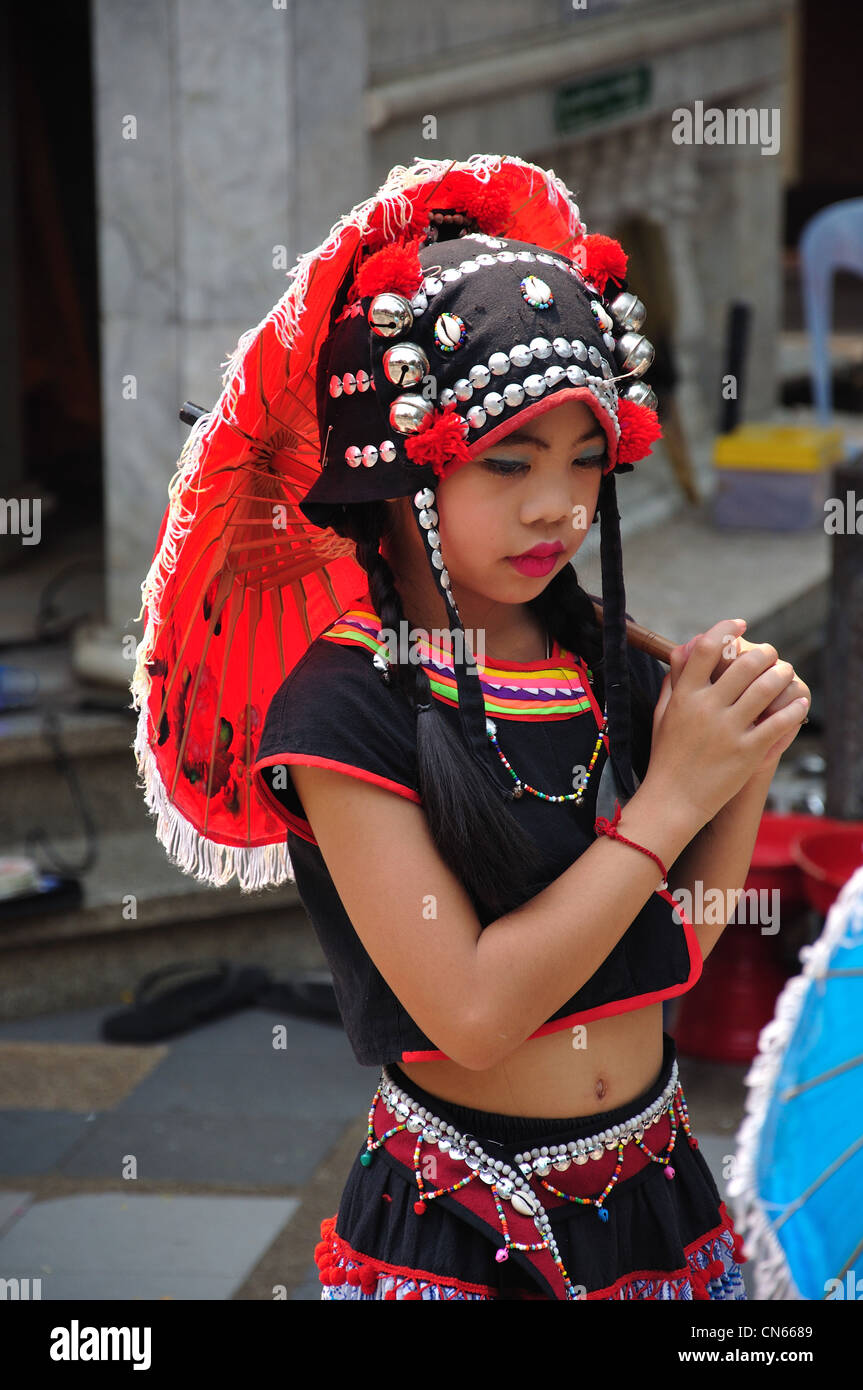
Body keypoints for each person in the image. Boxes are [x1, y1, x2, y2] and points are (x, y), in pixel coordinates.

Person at [132, 156, 811, 1300]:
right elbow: (478, 1012)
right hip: (460, 1223)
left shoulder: (597, 664)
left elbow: (672, 952)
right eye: (509, 462)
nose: (559, 505)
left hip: (657, 1193)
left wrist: (737, 756)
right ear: (398, 479)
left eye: (585, 461)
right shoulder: (339, 709)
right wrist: (677, 794)